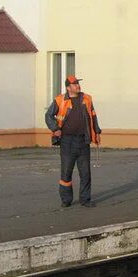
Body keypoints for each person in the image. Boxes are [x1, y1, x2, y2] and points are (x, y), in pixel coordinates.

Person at [45, 75, 101, 207]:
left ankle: (85, 199)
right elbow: (48, 115)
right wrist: (55, 128)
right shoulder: (60, 100)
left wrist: (97, 132)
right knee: (66, 172)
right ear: (68, 87)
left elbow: (93, 116)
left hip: (83, 140)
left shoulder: (87, 98)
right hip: (67, 141)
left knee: (85, 172)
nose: (78, 86)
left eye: (78, 83)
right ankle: (66, 200)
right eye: (75, 84)